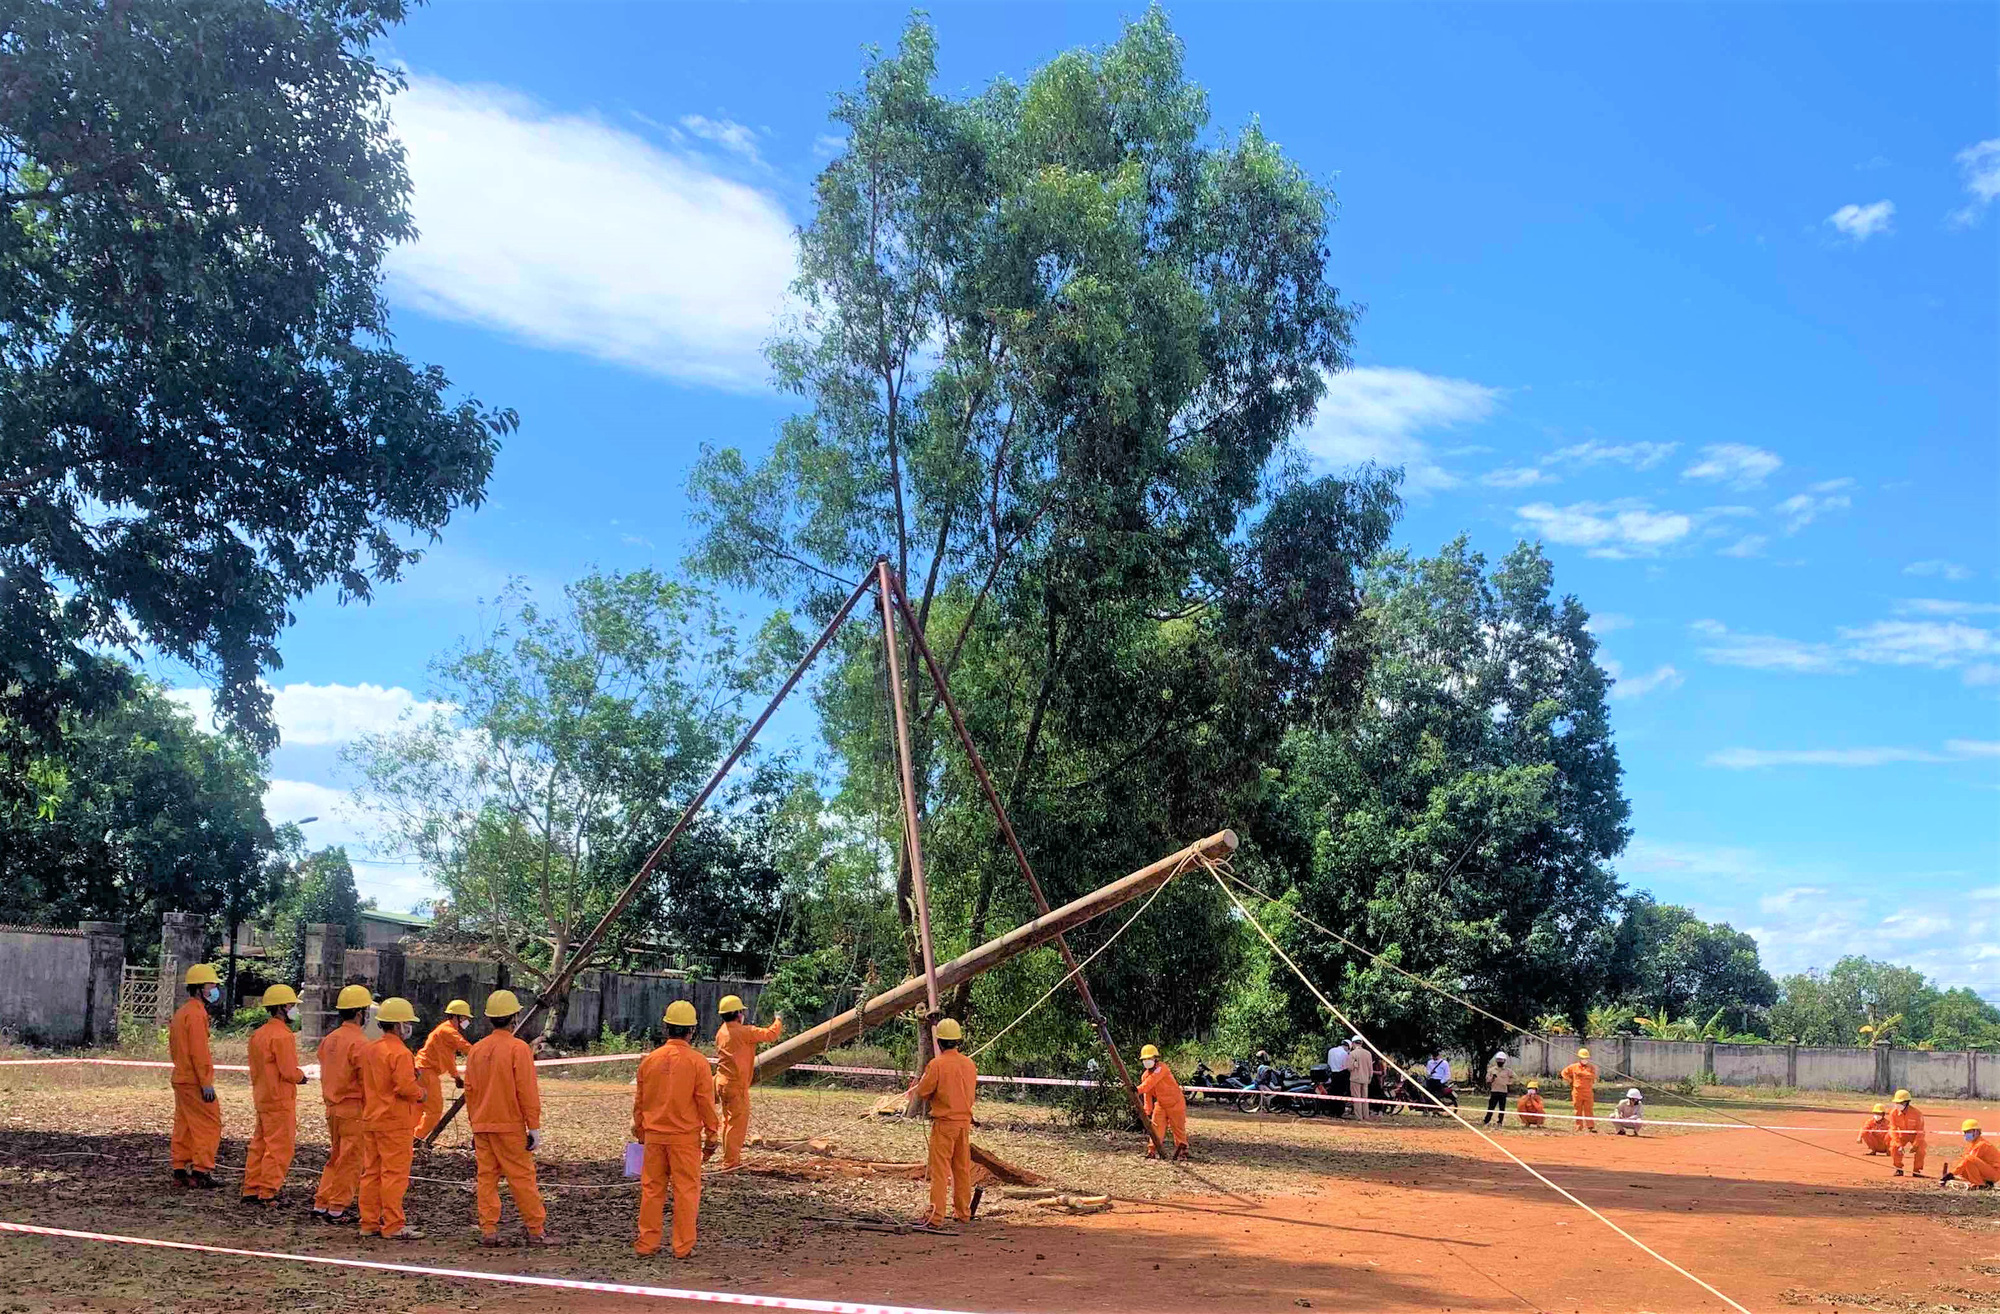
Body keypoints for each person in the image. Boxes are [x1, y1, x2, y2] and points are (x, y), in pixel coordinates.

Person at [464, 989, 555, 1246]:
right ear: (515, 1016)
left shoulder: (477, 1050)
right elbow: (526, 1090)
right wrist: (533, 1127)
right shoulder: (519, 1049)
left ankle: (489, 1230)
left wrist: (475, 1124)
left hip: (482, 1125)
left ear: (490, 1018)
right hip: (510, 1126)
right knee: (522, 1179)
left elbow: (470, 1091)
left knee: (486, 1178)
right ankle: (535, 1230)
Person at [631, 1000, 719, 1257]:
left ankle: (647, 1245)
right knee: (686, 1192)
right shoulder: (698, 1062)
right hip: (684, 1140)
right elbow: (705, 1101)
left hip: (654, 1137)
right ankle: (682, 1248)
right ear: (691, 1031)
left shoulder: (650, 1061)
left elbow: (640, 1101)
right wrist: (712, 1135)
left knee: (651, 1190)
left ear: (666, 1027)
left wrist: (641, 1132)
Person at [358, 997, 425, 1239]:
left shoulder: (369, 1049)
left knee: (371, 1172)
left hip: (371, 1119)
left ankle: (369, 1223)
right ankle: (393, 1225)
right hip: (395, 1122)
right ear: (397, 1025)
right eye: (407, 1022)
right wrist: (421, 1093)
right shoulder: (401, 1053)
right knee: (394, 1175)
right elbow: (405, 1087)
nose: (409, 1027)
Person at [243, 984, 310, 1205]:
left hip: (262, 1097)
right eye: (291, 1005)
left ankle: (251, 1189)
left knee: (259, 1145)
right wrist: (303, 1076)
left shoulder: (258, 1035)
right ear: (281, 1007)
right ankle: (268, 1191)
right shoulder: (283, 1036)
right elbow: (289, 1072)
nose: (294, 1009)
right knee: (279, 1147)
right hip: (280, 1099)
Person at [312, 984, 373, 1222]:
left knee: (336, 1157)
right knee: (351, 1160)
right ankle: (337, 1207)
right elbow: (366, 1080)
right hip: (353, 1109)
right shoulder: (360, 1043)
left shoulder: (330, 1039)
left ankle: (322, 1202)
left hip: (332, 1108)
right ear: (360, 1012)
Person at [914, 1017, 978, 1227]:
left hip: (944, 1124)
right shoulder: (969, 1064)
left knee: (940, 1171)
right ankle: (963, 1213)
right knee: (961, 1169)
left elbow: (923, 1091)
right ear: (958, 1040)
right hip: (964, 1124)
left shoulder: (937, 1064)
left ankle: (936, 1216)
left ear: (939, 1042)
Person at [712, 993, 784, 1170]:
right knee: (736, 1125)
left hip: (721, 1083)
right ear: (737, 1013)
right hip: (736, 1086)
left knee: (728, 1122)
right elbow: (771, 1034)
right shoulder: (745, 1032)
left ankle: (728, 1158)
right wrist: (778, 1019)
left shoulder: (721, 1032)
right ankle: (730, 1163)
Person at [169, 964, 224, 1188]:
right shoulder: (196, 1014)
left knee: (184, 1124)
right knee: (209, 1124)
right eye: (211, 984)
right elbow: (199, 1051)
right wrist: (206, 1082)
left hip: (181, 1077)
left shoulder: (182, 1012)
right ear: (200, 988)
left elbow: (175, 1048)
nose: (215, 988)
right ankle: (201, 1170)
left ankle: (180, 1168)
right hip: (194, 1080)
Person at [414, 999, 474, 1142]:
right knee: (434, 1111)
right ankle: (415, 1138)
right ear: (456, 1017)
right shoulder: (448, 1031)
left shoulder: (445, 1031)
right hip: (427, 1072)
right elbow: (465, 1047)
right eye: (464, 1017)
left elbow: (448, 1058)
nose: (466, 1021)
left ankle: (409, 1137)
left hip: (422, 1070)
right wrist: (484, 1053)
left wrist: (456, 1077)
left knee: (418, 1109)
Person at [1136, 1044, 1189, 1161]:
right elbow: (1148, 1094)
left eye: (1149, 1059)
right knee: (1156, 1128)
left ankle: (1183, 1151)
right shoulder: (1145, 1076)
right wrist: (1147, 1111)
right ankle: (1152, 1151)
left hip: (1176, 1103)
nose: (1147, 1061)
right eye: (1145, 1059)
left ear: (1155, 1059)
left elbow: (1150, 1083)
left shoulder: (1162, 1068)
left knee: (1178, 1128)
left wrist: (1137, 1089)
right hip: (1161, 1105)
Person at [1942, 1119, 2000, 1189]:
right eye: (1965, 1132)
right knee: (1963, 1169)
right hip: (1988, 1171)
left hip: (1994, 1173)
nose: (1966, 1134)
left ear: (1977, 1131)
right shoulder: (1973, 1144)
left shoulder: (1981, 1144)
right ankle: (1984, 1183)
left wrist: (1952, 1173)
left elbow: (1969, 1160)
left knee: (1968, 1159)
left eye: (1968, 1131)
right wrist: (1953, 1174)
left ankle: (1980, 1184)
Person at [1888, 1089, 1926, 1178]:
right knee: (1894, 1147)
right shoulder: (1893, 1113)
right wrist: (1898, 1144)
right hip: (1902, 1135)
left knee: (1921, 1149)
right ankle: (1899, 1169)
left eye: (1901, 1103)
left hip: (1915, 1136)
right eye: (1897, 1103)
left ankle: (1917, 1171)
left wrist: (1916, 1145)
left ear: (1907, 1103)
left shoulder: (1917, 1114)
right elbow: (1893, 1129)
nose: (1898, 1105)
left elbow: (1921, 1131)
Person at [1560, 1047, 1599, 1133]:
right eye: (1583, 1058)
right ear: (1579, 1058)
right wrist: (1569, 1080)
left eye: (1586, 1058)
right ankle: (1578, 1126)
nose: (1584, 1060)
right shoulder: (1573, 1067)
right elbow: (1563, 1073)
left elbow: (1592, 1076)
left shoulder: (1591, 1067)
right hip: (1577, 1092)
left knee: (1589, 1109)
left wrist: (1581, 1074)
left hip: (1588, 1092)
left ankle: (1590, 1126)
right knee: (1577, 1109)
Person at [1482, 1050, 1514, 1127]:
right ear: (1496, 1060)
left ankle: (1500, 1122)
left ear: (1504, 1061)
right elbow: (1487, 1080)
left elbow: (1514, 1078)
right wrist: (1492, 1078)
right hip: (1494, 1091)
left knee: (1502, 1108)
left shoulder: (1508, 1071)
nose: (1500, 1061)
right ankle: (1487, 1120)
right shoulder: (1491, 1070)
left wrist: (1508, 1083)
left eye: (1501, 1060)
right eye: (1498, 1059)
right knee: (1491, 1107)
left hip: (1503, 1091)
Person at [1348, 1038, 1375, 1120]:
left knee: (1357, 1098)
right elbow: (1371, 1068)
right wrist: (1370, 1077)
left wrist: (1354, 1064)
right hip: (1365, 1079)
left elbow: (1349, 1068)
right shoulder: (1368, 1053)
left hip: (1355, 1079)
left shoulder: (1352, 1053)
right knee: (1365, 1098)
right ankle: (1366, 1115)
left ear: (1353, 1043)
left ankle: (1359, 1116)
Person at [1325, 1039, 1352, 1119]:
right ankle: (1339, 1112)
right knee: (1339, 1094)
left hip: (1331, 1074)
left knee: (1332, 1093)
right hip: (1340, 1074)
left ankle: (1331, 1111)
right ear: (1347, 1047)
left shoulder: (1331, 1051)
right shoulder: (1344, 1054)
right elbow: (1345, 1066)